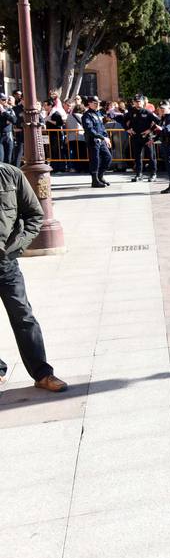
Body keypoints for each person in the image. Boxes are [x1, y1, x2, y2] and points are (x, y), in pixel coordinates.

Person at [0, 163, 66, 393]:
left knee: (23, 316)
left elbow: (34, 215)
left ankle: (42, 373)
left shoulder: (10, 175)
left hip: (5, 263)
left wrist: (16, 248)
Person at [125, 96, 158, 182]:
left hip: (147, 137)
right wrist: (127, 129)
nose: (138, 103)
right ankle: (139, 174)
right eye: (136, 102)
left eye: (139, 102)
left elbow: (158, 121)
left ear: (143, 102)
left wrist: (150, 129)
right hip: (136, 137)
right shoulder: (131, 112)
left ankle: (153, 174)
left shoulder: (147, 112)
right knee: (137, 156)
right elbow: (123, 119)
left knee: (151, 156)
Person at [80, 98, 111, 188]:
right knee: (95, 161)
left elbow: (102, 128)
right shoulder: (86, 115)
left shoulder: (98, 113)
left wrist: (106, 138)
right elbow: (89, 130)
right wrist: (102, 137)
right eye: (95, 103)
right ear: (89, 104)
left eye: (98, 103)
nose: (97, 104)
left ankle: (100, 176)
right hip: (93, 141)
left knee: (108, 158)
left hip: (101, 141)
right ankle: (95, 180)